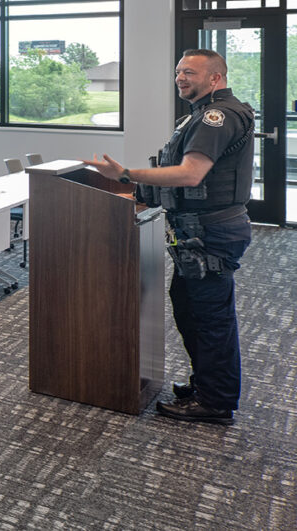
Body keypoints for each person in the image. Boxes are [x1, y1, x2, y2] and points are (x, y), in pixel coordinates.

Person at [83, 48, 255, 425]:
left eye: (190, 73)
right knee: (190, 310)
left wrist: (127, 174)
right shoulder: (196, 116)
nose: (180, 78)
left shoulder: (217, 116)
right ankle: (206, 385)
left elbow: (191, 174)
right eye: (178, 71)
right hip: (197, 233)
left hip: (212, 233)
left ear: (215, 78)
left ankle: (216, 400)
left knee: (210, 318)